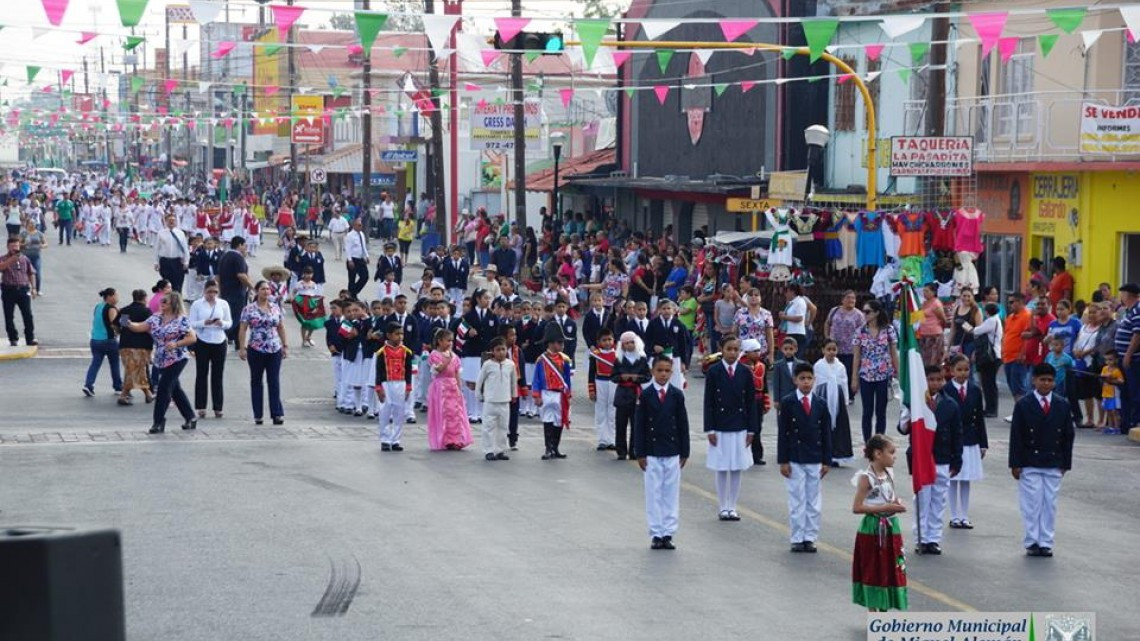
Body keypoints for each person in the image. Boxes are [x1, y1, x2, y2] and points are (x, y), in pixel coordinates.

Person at [1009, 363, 1075, 557]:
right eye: (1042, 380)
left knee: (1049, 503)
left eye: (1050, 380)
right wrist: (1015, 463)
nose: (1046, 384)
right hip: (1030, 461)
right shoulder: (1024, 404)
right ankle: (1032, 540)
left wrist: (1065, 463)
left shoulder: (1062, 404)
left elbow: (1067, 436)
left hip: (1053, 461)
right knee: (1032, 502)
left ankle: (1046, 541)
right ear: (1034, 380)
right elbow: (1017, 436)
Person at [898, 364, 961, 555]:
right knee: (922, 499)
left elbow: (957, 434)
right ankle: (921, 538)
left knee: (939, 500)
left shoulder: (950, 404)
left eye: (938, 379)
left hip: (942, 458)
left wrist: (957, 460)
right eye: (930, 379)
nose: (934, 383)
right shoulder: (915, 403)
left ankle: (933, 538)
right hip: (922, 458)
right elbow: (902, 429)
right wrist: (908, 413)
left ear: (943, 380)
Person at [121, 291, 198, 433]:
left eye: (165, 302)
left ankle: (158, 421)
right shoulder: (155, 318)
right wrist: (126, 321)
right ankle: (190, 417)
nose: (161, 304)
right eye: (161, 301)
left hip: (177, 357)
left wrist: (176, 344)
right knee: (175, 389)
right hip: (161, 358)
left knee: (164, 388)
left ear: (173, 304)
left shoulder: (181, 319)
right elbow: (139, 327)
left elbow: (192, 338)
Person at [635, 355, 690, 551]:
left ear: (672, 372)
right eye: (659, 370)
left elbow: (683, 424)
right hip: (651, 450)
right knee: (653, 492)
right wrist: (639, 452)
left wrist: (685, 451)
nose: (663, 374)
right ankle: (656, 533)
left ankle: (668, 532)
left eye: (667, 371)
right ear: (652, 372)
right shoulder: (646, 394)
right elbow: (639, 425)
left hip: (672, 449)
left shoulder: (676, 395)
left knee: (670, 493)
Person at [850, 434, 909, 613]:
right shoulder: (866, 478)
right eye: (891, 452)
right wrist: (884, 507)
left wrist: (896, 503)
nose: (894, 456)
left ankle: (885, 607)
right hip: (873, 528)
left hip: (891, 526)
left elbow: (889, 496)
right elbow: (857, 507)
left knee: (890, 566)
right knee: (872, 568)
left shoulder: (889, 474)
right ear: (877, 454)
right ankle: (873, 610)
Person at [778, 362, 832, 553]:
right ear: (795, 380)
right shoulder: (788, 402)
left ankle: (810, 536)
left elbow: (826, 433)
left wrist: (827, 460)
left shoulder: (820, 403)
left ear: (814, 380)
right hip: (795, 456)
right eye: (802, 379)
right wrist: (783, 460)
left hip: (815, 457)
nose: (806, 382)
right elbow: (783, 433)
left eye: (809, 378)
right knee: (797, 499)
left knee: (813, 501)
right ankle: (797, 537)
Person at [703, 336, 758, 521]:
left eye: (736, 349)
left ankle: (732, 506)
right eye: (729, 349)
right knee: (721, 466)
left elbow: (751, 402)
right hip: (719, 425)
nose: (732, 353)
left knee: (736, 467)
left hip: (740, 425)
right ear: (722, 349)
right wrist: (709, 428)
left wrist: (752, 430)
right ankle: (722, 506)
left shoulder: (745, 372)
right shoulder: (714, 371)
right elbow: (708, 402)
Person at [943, 354, 987, 531]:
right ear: (952, 370)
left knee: (966, 478)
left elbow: (979, 419)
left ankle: (964, 515)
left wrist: (983, 443)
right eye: (959, 369)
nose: (963, 373)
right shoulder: (946, 390)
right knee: (954, 478)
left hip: (970, 439)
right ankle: (954, 515)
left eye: (966, 369)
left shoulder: (975, 390)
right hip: (953, 440)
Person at [239, 281, 289, 426]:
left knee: (274, 381)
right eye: (262, 289)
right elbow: (242, 329)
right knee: (256, 381)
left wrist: (285, 345)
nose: (266, 292)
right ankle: (258, 414)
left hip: (274, 348)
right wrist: (242, 348)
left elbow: (280, 327)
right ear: (256, 291)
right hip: (256, 348)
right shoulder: (249, 309)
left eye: (268, 289)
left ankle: (277, 413)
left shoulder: (275, 308)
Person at [852, 300, 898, 443]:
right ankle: (867, 443)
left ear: (876, 313)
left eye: (868, 312)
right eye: (864, 311)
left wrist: (898, 372)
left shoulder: (888, 329)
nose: (865, 315)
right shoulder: (860, 331)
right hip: (866, 375)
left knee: (881, 411)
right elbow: (857, 356)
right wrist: (854, 378)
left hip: (883, 375)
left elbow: (893, 353)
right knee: (867, 411)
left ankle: (879, 442)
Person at [188, 280, 232, 419]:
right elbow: (191, 323)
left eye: (215, 292)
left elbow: (229, 322)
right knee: (202, 374)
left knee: (217, 375)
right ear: (204, 291)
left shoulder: (223, 304)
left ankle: (218, 407)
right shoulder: (197, 304)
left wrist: (222, 323)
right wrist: (203, 323)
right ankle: (201, 406)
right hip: (203, 339)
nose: (212, 295)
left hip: (219, 340)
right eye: (209, 292)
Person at [426, 329, 473, 451]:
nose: (450, 343)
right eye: (448, 341)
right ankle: (446, 439)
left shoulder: (455, 357)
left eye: (452, 341)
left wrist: (459, 388)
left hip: (452, 386)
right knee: (444, 413)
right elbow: (439, 370)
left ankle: (457, 439)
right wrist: (447, 360)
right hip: (440, 387)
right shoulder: (434, 355)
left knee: (455, 414)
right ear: (440, 341)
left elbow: (457, 373)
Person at [531, 323, 573, 460]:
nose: (562, 345)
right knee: (548, 420)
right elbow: (536, 379)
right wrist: (536, 395)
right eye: (559, 342)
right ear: (550, 343)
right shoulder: (541, 360)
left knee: (559, 420)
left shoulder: (565, 360)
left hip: (560, 394)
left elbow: (567, 379)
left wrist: (569, 393)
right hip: (546, 393)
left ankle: (555, 447)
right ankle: (548, 448)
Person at [374, 322, 414, 452]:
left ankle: (396, 440)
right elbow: (378, 371)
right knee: (385, 411)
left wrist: (408, 386)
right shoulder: (382, 352)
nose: (400, 336)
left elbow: (408, 370)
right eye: (397, 334)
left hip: (400, 383)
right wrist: (378, 387)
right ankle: (385, 439)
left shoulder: (407, 352)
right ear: (389, 335)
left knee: (399, 412)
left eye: (402, 334)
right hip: (387, 384)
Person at [814, 340, 854, 467]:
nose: (831, 352)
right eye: (828, 349)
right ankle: (822, 455)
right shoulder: (818, 366)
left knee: (839, 427)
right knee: (823, 426)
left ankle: (837, 455)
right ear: (823, 350)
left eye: (834, 349)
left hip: (838, 399)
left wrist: (846, 399)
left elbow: (843, 382)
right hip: (823, 397)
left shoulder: (840, 366)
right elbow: (816, 383)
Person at [477, 337, 518, 461]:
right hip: (490, 400)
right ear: (492, 351)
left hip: (505, 400)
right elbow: (480, 381)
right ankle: (488, 450)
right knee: (488, 427)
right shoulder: (487, 365)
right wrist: (479, 394)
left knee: (503, 426)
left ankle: (500, 450)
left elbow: (513, 382)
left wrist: (514, 394)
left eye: (503, 349)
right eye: (498, 350)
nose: (501, 352)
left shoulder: (510, 365)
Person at [613, 330, 650, 461]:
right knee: (620, 424)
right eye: (626, 343)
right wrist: (622, 377)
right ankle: (621, 451)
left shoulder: (642, 358)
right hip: (622, 393)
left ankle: (634, 450)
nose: (629, 345)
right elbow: (613, 376)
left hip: (636, 394)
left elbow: (648, 376)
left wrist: (637, 378)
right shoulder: (619, 359)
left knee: (636, 424)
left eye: (631, 342)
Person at [824, 291, 864, 402]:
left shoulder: (859, 315)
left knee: (848, 372)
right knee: (832, 370)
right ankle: (833, 393)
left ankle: (849, 395)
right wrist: (827, 337)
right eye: (848, 298)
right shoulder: (834, 310)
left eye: (853, 298)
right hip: (834, 348)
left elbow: (863, 332)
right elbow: (827, 323)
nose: (851, 300)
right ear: (842, 299)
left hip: (850, 349)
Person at [83, 287, 122, 398]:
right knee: (114, 364)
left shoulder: (98, 307)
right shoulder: (111, 309)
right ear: (110, 296)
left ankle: (88, 384)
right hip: (108, 341)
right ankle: (118, 386)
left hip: (95, 340)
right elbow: (115, 324)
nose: (117, 297)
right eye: (116, 295)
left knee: (95, 363)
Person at [117, 289, 154, 406]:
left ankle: (145, 394)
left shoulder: (125, 310)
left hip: (125, 344)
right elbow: (150, 327)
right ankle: (145, 393)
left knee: (131, 370)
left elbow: (120, 326)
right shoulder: (146, 311)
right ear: (144, 298)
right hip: (141, 345)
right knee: (137, 370)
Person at [645, 299, 690, 389]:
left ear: (673, 310)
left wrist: (684, 362)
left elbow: (683, 344)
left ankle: (675, 401)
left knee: (676, 382)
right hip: (657, 356)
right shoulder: (653, 323)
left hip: (675, 357)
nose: (666, 311)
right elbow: (647, 340)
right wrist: (653, 346)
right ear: (659, 310)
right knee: (655, 381)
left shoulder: (679, 324)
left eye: (668, 308)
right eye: (663, 308)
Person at [1, 235, 37, 347]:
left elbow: (31, 273)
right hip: (9, 289)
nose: (15, 248)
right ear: (8, 247)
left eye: (17, 246)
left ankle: (30, 338)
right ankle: (13, 338)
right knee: (9, 316)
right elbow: (1, 267)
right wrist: (12, 259)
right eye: (13, 246)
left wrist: (33, 288)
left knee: (28, 315)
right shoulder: (3, 258)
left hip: (23, 289)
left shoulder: (24, 259)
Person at [1001, 293, 1033, 421]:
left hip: (1017, 357)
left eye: (1012, 302)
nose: (1010, 305)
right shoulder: (1010, 317)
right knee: (1013, 387)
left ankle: (1022, 413)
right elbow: (1007, 334)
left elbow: (1027, 337)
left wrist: (1023, 353)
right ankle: (1019, 411)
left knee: (1019, 387)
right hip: (1008, 356)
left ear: (1020, 302)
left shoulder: (1027, 316)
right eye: (1009, 302)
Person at [217, 237, 252, 348]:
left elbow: (218, 276)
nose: (246, 248)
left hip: (225, 290)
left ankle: (238, 342)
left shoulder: (225, 256)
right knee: (236, 317)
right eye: (245, 245)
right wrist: (252, 287)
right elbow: (241, 275)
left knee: (233, 316)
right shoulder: (237, 257)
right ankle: (221, 337)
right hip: (237, 291)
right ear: (240, 245)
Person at [1114, 283, 1140, 429]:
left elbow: (1137, 334)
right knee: (1126, 391)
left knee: (1135, 390)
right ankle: (1126, 422)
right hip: (1124, 356)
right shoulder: (1129, 311)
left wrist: (1128, 355)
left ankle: (1135, 420)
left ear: (1128, 295)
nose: (1121, 297)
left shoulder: (1137, 310)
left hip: (1134, 359)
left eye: (1122, 294)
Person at [587, 328, 618, 451]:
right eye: (604, 340)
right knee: (601, 412)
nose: (607, 342)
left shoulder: (618, 354)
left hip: (614, 383)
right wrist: (591, 390)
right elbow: (591, 373)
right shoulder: (595, 354)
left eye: (609, 339)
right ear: (599, 341)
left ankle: (612, 440)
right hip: (600, 382)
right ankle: (602, 440)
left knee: (613, 411)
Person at [153, 215, 190, 293]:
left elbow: (185, 249)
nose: (171, 222)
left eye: (173, 220)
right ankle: (167, 301)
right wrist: (156, 262)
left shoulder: (180, 233)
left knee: (178, 284)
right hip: (165, 261)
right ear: (166, 222)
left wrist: (186, 261)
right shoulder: (161, 233)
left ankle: (177, 302)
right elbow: (156, 248)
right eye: (169, 220)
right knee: (166, 284)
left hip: (177, 262)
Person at [772, 337, 807, 416]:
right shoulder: (778, 365)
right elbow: (776, 383)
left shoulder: (801, 364)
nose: (788, 351)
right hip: (783, 397)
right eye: (786, 349)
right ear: (782, 349)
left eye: (791, 349)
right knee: (784, 419)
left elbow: (803, 380)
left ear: (796, 349)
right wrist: (776, 400)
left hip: (798, 395)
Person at [779, 284, 810, 357]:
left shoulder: (799, 302)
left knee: (796, 356)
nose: (785, 294)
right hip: (790, 332)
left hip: (797, 333)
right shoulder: (792, 303)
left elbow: (799, 318)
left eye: (786, 292)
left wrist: (785, 317)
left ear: (792, 292)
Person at [18, 218, 46, 295]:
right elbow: (18, 244)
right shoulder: (23, 233)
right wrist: (24, 244)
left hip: (36, 256)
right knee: (26, 273)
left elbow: (45, 243)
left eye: (33, 223)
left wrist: (41, 246)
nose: (32, 224)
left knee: (37, 273)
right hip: (26, 256)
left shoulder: (39, 233)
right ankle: (28, 289)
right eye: (30, 223)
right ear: (27, 224)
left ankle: (37, 289)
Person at [1100, 350, 1125, 434]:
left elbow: (1121, 381)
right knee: (1108, 410)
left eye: (1110, 359)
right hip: (1105, 393)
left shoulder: (1117, 371)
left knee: (1114, 411)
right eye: (1106, 360)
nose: (1108, 362)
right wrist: (1105, 377)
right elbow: (1102, 377)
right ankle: (1110, 427)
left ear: (1116, 360)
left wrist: (1112, 378)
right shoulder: (1104, 369)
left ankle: (1117, 427)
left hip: (1114, 393)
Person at [344, 218, 371, 297]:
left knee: (365, 276)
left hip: (360, 259)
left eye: (361, 225)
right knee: (352, 278)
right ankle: (351, 295)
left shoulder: (361, 234)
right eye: (359, 225)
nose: (361, 226)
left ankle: (353, 292)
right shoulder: (350, 235)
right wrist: (349, 260)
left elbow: (363, 246)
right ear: (354, 225)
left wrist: (366, 256)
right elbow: (348, 248)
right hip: (353, 259)